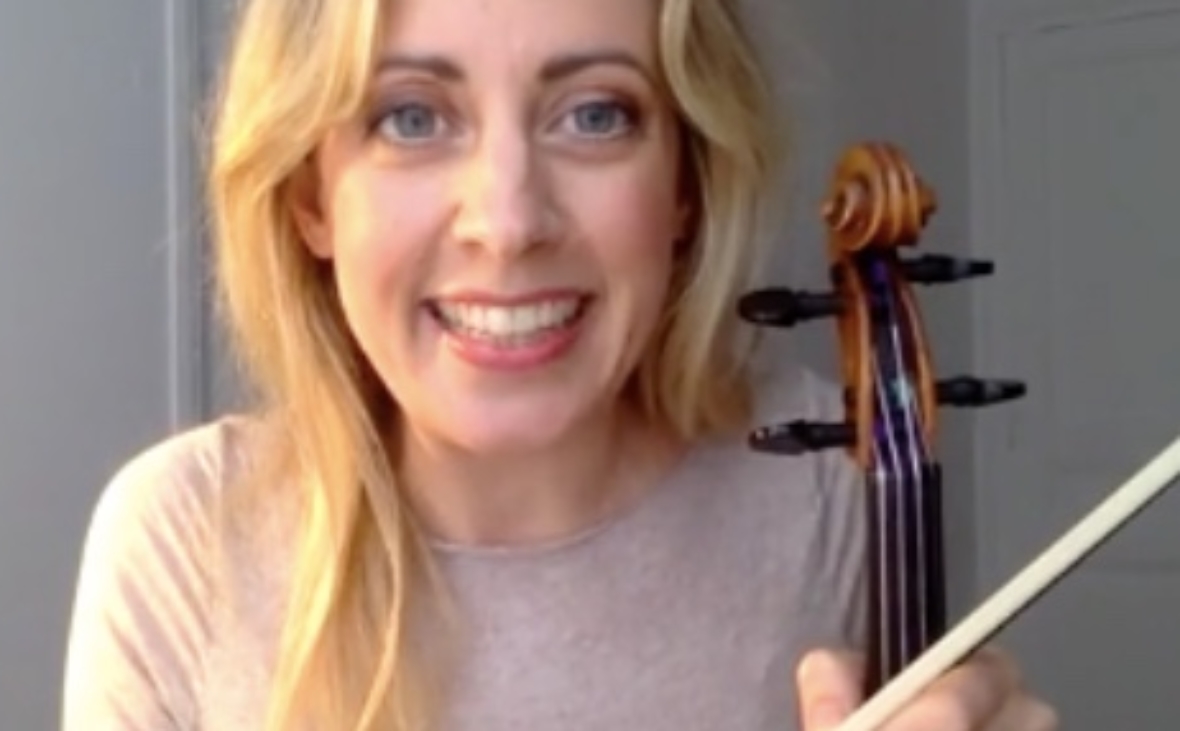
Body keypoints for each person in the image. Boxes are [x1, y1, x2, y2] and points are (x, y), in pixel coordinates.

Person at [61, 0, 1060, 729]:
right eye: (410, 117)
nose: (507, 223)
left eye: (594, 114)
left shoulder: (818, 490)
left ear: (685, 184)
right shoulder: (185, 541)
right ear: (311, 200)